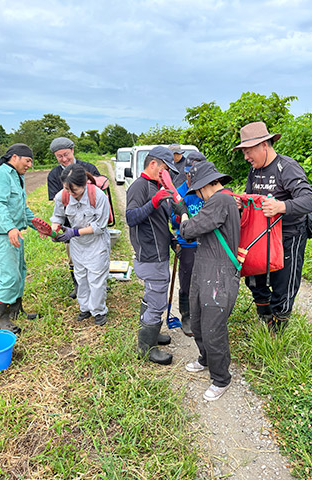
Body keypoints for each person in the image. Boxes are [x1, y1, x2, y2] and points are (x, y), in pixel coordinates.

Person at [233, 121, 312, 333]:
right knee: (254, 276)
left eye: (248, 151)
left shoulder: (286, 168)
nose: (246, 157)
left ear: (264, 145)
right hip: (261, 234)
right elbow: (251, 196)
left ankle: (278, 330)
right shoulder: (255, 171)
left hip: (290, 233)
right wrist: (242, 204)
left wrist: (281, 206)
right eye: (243, 152)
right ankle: (265, 317)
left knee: (283, 283)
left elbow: (310, 201)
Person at [174, 160, 241, 402]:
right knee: (199, 319)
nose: (198, 195)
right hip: (205, 267)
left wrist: (182, 214)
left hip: (220, 273)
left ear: (205, 185)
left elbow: (190, 230)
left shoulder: (221, 200)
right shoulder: (218, 201)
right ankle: (205, 358)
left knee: (214, 327)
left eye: (197, 190)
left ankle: (221, 378)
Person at [126, 146, 179, 365]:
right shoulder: (139, 186)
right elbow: (130, 217)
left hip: (159, 253)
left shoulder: (158, 186)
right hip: (149, 255)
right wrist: (153, 202)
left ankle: (152, 332)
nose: (166, 173)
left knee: (152, 296)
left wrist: (173, 240)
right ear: (154, 163)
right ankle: (145, 348)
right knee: (157, 301)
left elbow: (160, 223)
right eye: (165, 168)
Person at [50, 164, 111, 326]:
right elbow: (57, 217)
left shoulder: (98, 197)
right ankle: (85, 308)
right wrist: (54, 231)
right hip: (78, 245)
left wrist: (74, 232)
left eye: (74, 190)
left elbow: (100, 226)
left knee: (96, 279)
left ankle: (98, 310)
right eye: (67, 189)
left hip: (97, 243)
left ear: (84, 184)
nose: (70, 194)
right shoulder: (61, 196)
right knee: (81, 277)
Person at [0, 143, 41, 333]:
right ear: (15, 157)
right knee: (9, 276)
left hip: (15, 234)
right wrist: (10, 228)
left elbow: (22, 209)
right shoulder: (1, 174)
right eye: (27, 160)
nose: (30, 165)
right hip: (3, 234)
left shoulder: (18, 177)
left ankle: (15, 310)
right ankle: (1, 318)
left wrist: (38, 224)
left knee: (20, 272)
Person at [47, 137, 101, 300]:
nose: (64, 159)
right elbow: (58, 205)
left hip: (91, 224)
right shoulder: (54, 175)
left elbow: (99, 196)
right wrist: (58, 228)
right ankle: (79, 286)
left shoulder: (89, 168)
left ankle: (96, 287)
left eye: (66, 154)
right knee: (74, 259)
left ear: (73, 151)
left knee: (95, 258)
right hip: (70, 226)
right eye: (59, 156)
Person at [169, 151, 208, 337]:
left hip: (209, 243)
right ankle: (186, 315)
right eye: (188, 173)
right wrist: (180, 216)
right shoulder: (180, 192)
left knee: (206, 280)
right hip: (187, 244)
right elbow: (173, 220)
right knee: (187, 282)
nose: (190, 177)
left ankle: (203, 313)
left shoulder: (209, 190)